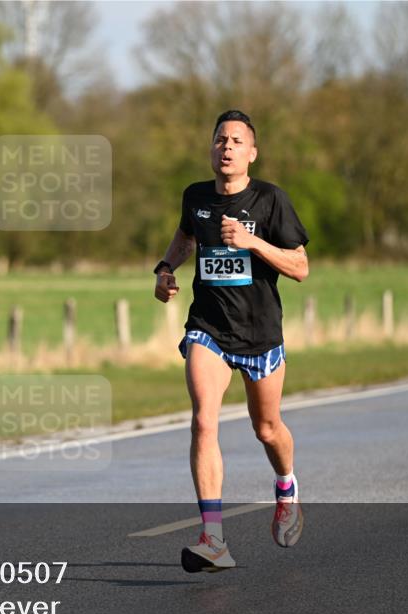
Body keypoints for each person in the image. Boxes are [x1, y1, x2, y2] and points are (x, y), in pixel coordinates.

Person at [153, 110, 310, 573]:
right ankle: (214, 539)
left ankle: (286, 486)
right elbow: (185, 237)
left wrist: (252, 243)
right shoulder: (196, 197)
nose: (227, 146)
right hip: (209, 327)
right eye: (220, 139)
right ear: (211, 149)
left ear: (252, 153)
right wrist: (164, 271)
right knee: (204, 420)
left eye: (237, 141)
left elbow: (300, 267)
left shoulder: (270, 200)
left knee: (267, 428)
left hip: (260, 333)